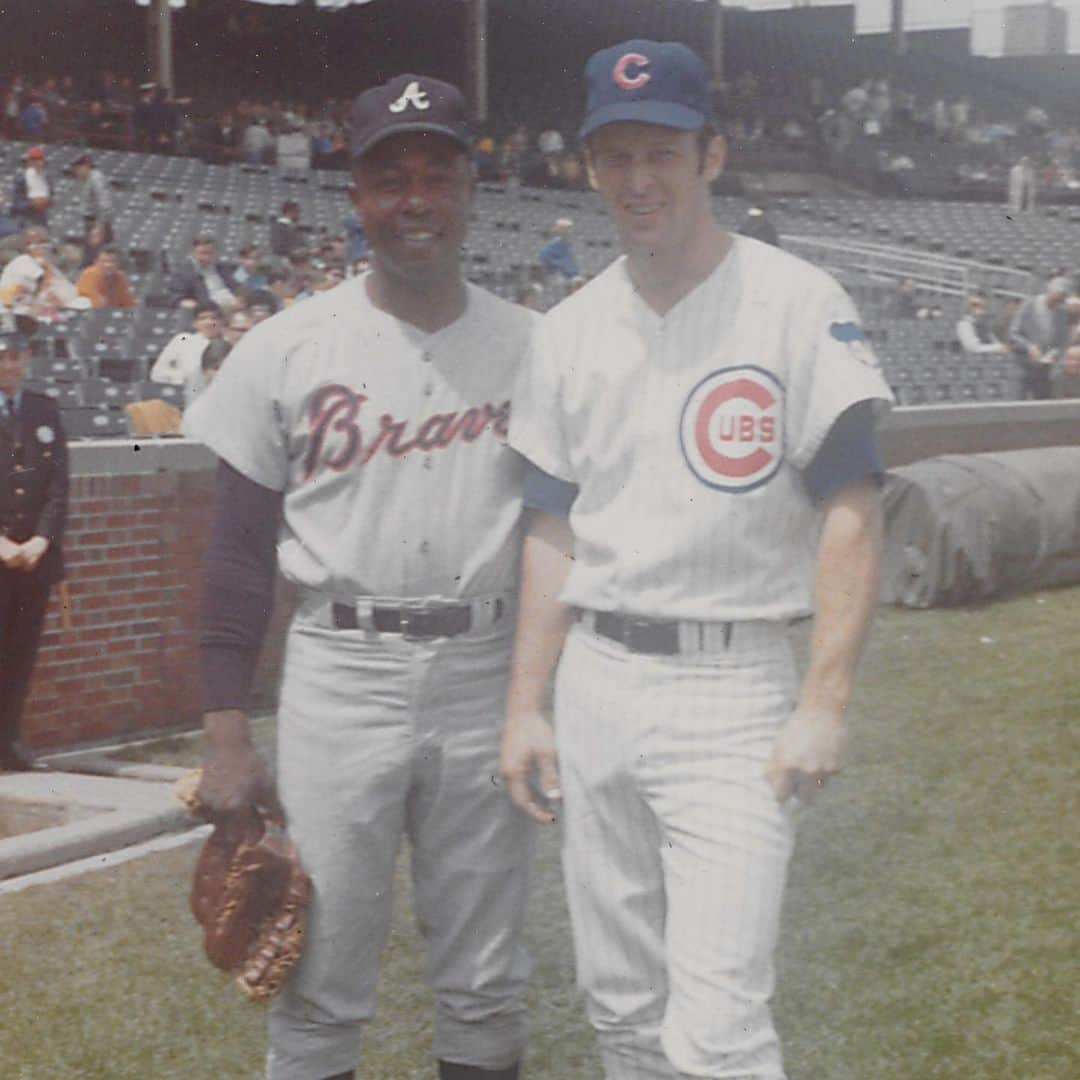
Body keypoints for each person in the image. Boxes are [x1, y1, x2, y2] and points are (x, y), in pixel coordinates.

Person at [500, 39, 892, 1080]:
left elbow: (852, 506)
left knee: (717, 1028)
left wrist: (826, 699)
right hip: (598, 678)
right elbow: (551, 529)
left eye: (662, 152)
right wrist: (526, 704)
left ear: (711, 154)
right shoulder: (568, 329)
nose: (639, 180)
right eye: (615, 155)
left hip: (733, 683)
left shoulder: (794, 299)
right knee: (621, 1009)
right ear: (587, 167)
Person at [182, 73, 537, 1080]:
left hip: (485, 666)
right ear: (356, 198)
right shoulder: (285, 346)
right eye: (390, 179)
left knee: (486, 980)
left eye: (437, 174)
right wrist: (224, 738)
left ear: (472, 188)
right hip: (341, 670)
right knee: (316, 976)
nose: (415, 199)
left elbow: (569, 534)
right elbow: (237, 553)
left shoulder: (536, 348)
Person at [0, 313, 68, 771]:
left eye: (17, 354)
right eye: (3, 355)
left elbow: (59, 484)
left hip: (34, 558)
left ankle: (9, 740)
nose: (10, 362)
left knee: (22, 650)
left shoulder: (44, 408)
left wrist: (42, 538)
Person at [1008, 276, 1071, 400]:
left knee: (1043, 407)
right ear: (1049, 291)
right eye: (1056, 299)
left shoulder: (1062, 312)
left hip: (1044, 370)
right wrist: (1029, 347)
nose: (1057, 303)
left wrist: (1052, 353)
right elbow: (1013, 334)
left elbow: (1061, 342)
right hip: (1022, 367)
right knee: (1017, 408)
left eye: (1061, 300)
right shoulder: (1029, 305)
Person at [149, 302, 224, 403]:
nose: (209, 322)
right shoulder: (183, 339)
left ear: (221, 321)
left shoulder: (227, 344)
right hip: (184, 395)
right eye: (203, 318)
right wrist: (185, 378)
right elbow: (157, 373)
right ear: (194, 323)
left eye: (213, 318)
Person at [167, 235, 238, 311]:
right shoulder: (182, 273)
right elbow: (175, 298)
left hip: (233, 305)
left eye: (210, 253)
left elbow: (236, 287)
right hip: (211, 310)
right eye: (202, 253)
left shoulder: (221, 268)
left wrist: (241, 297)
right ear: (193, 253)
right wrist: (191, 304)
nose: (206, 257)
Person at [70, 152, 114, 244]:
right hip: (91, 223)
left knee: (97, 253)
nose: (76, 172)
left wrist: (99, 226)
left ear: (86, 166)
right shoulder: (86, 178)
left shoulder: (96, 178)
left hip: (97, 223)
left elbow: (104, 203)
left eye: (78, 168)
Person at [12, 145, 50, 227]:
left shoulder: (46, 178)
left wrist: (45, 202)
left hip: (41, 218)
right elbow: (17, 202)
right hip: (24, 217)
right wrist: (31, 204)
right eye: (34, 160)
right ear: (28, 161)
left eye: (39, 159)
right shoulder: (21, 179)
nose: (37, 163)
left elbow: (51, 198)